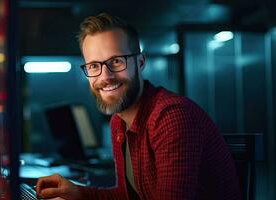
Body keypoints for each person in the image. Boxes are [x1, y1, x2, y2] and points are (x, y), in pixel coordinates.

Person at [35, 13, 241, 200]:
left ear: (140, 62)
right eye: (94, 66)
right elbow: (128, 196)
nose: (105, 77)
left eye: (116, 61)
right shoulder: (119, 121)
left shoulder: (171, 117)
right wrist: (78, 193)